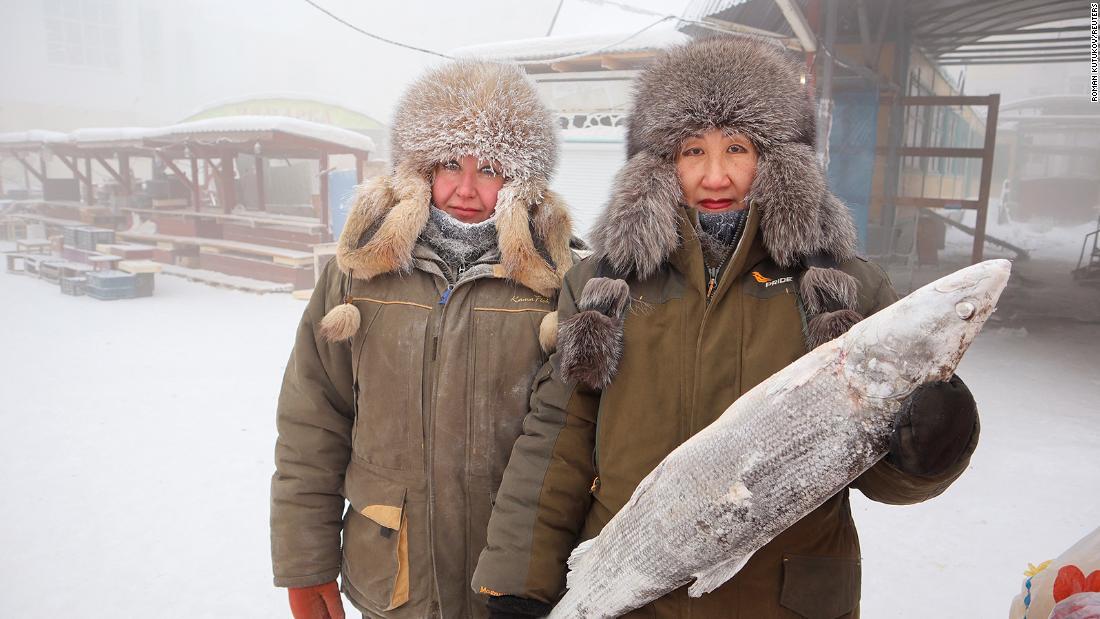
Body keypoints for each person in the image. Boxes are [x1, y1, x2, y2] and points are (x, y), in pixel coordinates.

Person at [472, 36, 980, 618]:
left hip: (782, 603)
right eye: (692, 151)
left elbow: (875, 472)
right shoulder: (602, 287)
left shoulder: (846, 289)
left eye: (737, 148)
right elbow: (557, 438)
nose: (715, 177)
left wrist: (928, 449)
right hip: (635, 600)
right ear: (659, 165)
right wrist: (518, 584)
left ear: (778, 160)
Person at [270, 60, 577, 619]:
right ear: (419, 169)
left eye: (488, 168)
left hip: (511, 584)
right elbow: (312, 421)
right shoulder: (358, 275)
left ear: (520, 179)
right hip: (393, 579)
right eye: (447, 165)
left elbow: (574, 443)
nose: (464, 188)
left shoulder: (558, 283)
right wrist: (305, 561)